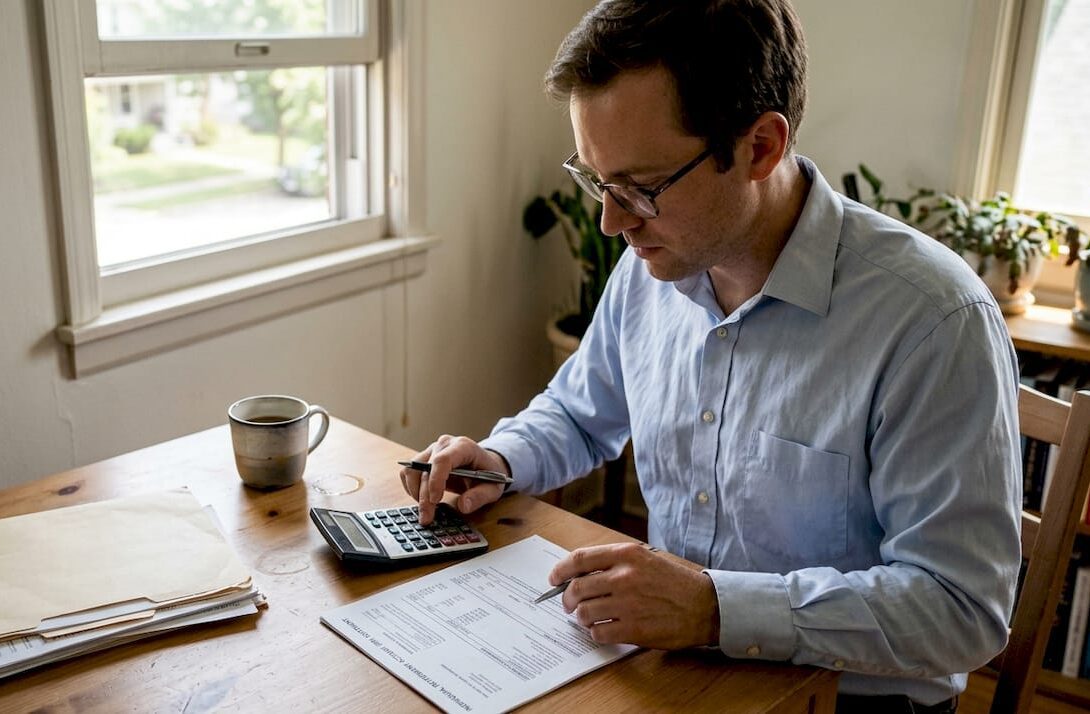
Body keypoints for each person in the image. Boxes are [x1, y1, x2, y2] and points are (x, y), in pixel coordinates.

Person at [400, 1, 1021, 712]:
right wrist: (503, 459)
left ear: (760, 147)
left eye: (642, 187)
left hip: (851, 698)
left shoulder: (932, 321)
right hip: (676, 669)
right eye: (597, 181)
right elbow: (579, 413)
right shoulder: (652, 263)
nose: (612, 220)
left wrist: (715, 609)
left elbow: (962, 610)